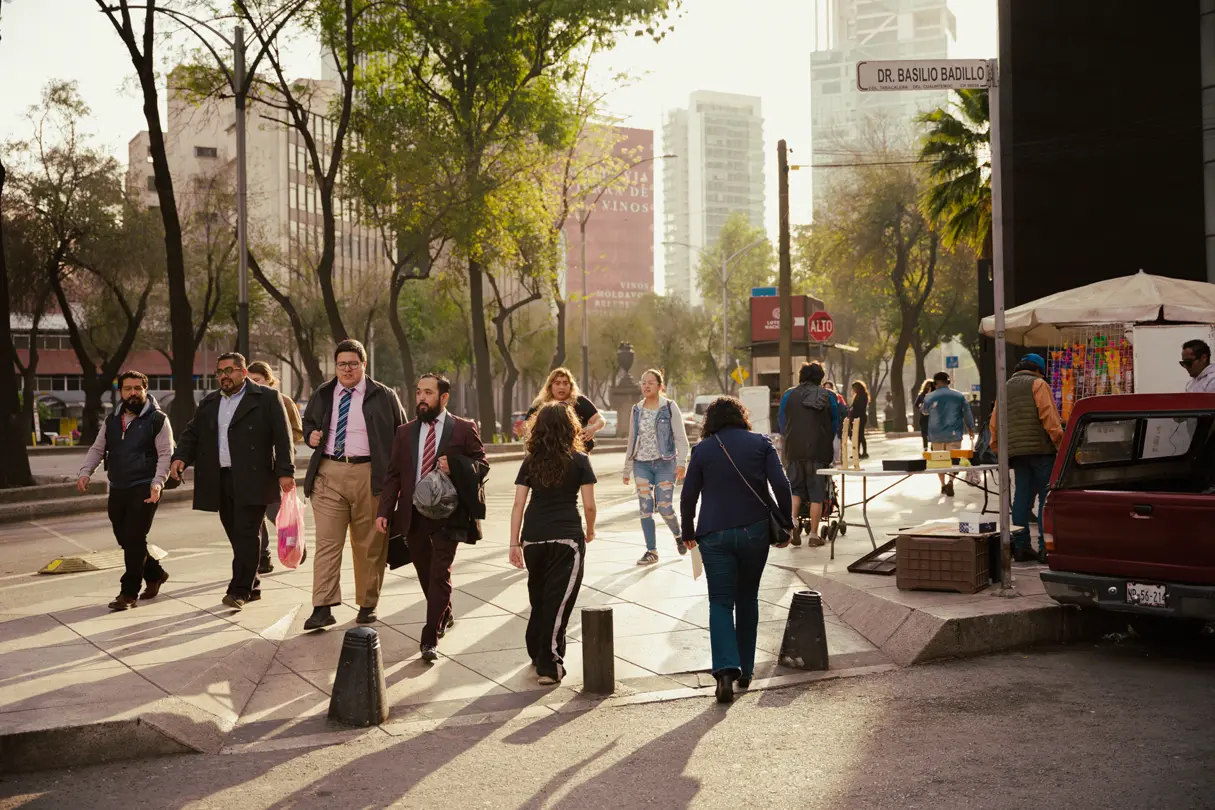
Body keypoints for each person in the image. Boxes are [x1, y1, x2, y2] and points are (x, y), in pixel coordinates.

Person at [680, 396, 793, 704]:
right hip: (754, 530)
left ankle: (725, 672)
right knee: (747, 597)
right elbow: (781, 485)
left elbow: (688, 496)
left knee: (719, 602)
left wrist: (687, 532)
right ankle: (745, 669)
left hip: (713, 534)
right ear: (742, 417)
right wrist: (787, 523)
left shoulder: (702, 450)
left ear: (711, 421)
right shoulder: (761, 444)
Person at [170, 353, 295, 610]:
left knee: (247, 533)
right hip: (220, 477)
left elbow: (283, 437)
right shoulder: (210, 402)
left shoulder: (266, 398)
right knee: (236, 534)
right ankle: (253, 584)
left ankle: (239, 590)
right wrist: (180, 457)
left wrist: (285, 472)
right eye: (220, 372)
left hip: (254, 476)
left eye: (230, 370)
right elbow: (191, 433)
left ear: (243, 372)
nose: (224, 376)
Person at [377, 373, 488, 662]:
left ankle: (430, 638)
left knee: (440, 574)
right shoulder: (404, 432)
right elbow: (393, 475)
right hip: (413, 514)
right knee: (425, 573)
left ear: (444, 397)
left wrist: (456, 465)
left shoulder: (463, 429)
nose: (422, 398)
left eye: (428, 392)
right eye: (419, 392)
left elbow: (482, 465)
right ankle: (444, 613)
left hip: (449, 514)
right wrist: (384, 511)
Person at [300, 339, 407, 630]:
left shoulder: (384, 395)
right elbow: (308, 423)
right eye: (341, 364)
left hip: (370, 475)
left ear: (364, 364)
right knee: (327, 543)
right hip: (329, 473)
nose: (347, 369)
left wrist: (399, 482)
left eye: (352, 364)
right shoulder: (324, 393)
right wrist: (310, 436)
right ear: (335, 366)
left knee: (369, 544)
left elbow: (403, 435)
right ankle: (322, 606)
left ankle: (367, 604)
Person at [508, 402, 597, 685]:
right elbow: (589, 505)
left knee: (540, 599)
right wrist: (590, 529)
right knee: (559, 603)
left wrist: (514, 543)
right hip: (567, 539)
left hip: (533, 538)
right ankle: (549, 666)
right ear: (571, 428)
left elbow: (518, 504)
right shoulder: (580, 460)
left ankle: (537, 653)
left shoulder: (530, 461)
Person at [77, 371, 173, 611]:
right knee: (126, 538)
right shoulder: (112, 420)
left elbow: (165, 455)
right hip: (118, 487)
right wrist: (85, 471)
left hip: (146, 486)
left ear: (145, 390)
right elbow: (98, 448)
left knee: (133, 537)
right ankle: (155, 573)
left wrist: (158, 482)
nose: (133, 393)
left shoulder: (158, 420)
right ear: (120, 391)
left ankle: (129, 592)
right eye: (128, 388)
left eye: (138, 388)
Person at [989, 353, 1064, 564]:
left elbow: (994, 424)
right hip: (1041, 452)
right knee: (1045, 499)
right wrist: (1060, 444)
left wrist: (999, 451)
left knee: (1021, 498)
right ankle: (1045, 548)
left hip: (1017, 454)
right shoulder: (1038, 384)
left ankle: (1021, 547)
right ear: (1039, 370)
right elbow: (1049, 418)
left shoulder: (1004, 388)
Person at [622, 369, 691, 565]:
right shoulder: (636, 409)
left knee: (664, 506)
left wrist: (681, 463)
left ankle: (678, 535)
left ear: (660, 386)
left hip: (665, 463)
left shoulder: (669, 407)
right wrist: (627, 468)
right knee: (645, 508)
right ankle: (651, 551)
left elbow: (681, 438)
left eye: (650, 382)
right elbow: (632, 439)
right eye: (643, 382)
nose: (646, 386)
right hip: (641, 464)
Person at [246, 360, 304, 575]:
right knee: (254, 512)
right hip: (250, 465)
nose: (254, 384)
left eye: (257, 380)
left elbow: (297, 431)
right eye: (249, 380)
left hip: (276, 464)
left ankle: (294, 543)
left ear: (269, 380)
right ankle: (263, 556)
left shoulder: (283, 401)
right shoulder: (245, 402)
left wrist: (276, 437)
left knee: (275, 510)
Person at [778, 362, 839, 545]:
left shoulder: (788, 395)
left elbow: (782, 422)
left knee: (795, 490)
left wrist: (790, 438)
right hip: (819, 451)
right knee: (817, 493)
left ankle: (793, 525)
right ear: (820, 378)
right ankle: (813, 535)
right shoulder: (829, 396)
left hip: (794, 450)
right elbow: (835, 423)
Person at [921, 371, 976, 496]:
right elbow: (967, 413)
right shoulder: (959, 396)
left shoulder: (930, 396)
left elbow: (924, 411)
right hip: (954, 434)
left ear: (935, 383)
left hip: (936, 435)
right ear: (948, 382)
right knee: (954, 460)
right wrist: (971, 428)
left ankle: (942, 484)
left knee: (939, 461)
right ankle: (951, 481)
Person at [525, 367, 605, 451]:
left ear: (570, 386)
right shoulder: (540, 403)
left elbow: (600, 419)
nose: (562, 387)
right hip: (546, 453)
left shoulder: (579, 401)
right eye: (557, 383)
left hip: (577, 452)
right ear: (550, 386)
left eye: (565, 383)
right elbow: (526, 426)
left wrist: (593, 428)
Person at [848, 381, 870, 459]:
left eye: (855, 388)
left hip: (861, 417)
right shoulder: (856, 396)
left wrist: (853, 410)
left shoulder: (864, 395)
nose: (854, 390)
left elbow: (861, 406)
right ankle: (856, 453)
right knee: (855, 436)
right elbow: (853, 406)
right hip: (854, 417)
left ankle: (864, 452)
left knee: (861, 435)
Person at [914, 380, 934, 451]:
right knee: (925, 431)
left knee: (928, 431)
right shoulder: (922, 395)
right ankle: (926, 446)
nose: (929, 388)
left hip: (930, 416)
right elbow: (916, 405)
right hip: (925, 416)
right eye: (928, 386)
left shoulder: (933, 394)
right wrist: (921, 408)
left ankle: (930, 446)